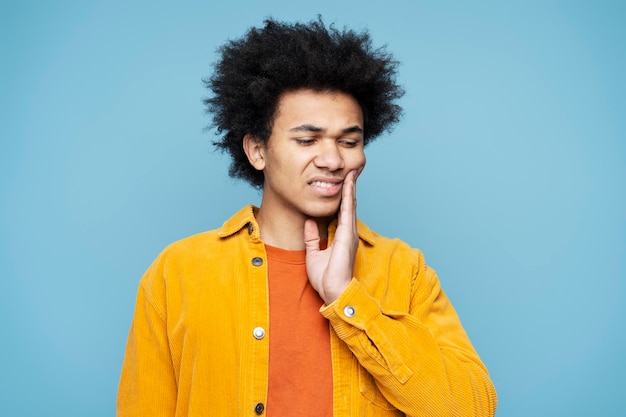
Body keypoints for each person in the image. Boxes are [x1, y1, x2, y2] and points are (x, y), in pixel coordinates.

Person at [117, 17, 497, 417]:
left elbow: (472, 408)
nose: (333, 160)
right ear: (257, 150)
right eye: (307, 139)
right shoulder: (177, 272)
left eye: (349, 141)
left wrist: (346, 299)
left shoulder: (404, 271)